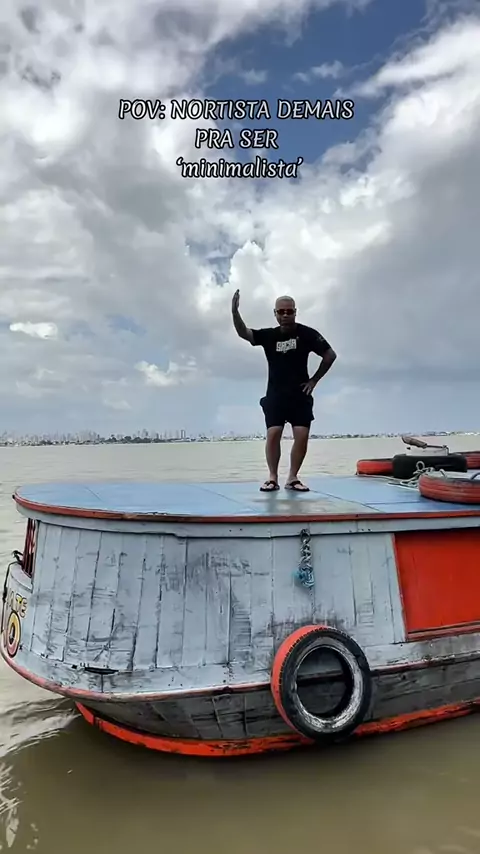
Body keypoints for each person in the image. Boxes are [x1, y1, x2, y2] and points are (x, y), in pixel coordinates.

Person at [231, 290, 336, 492]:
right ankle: (272, 477)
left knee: (302, 435)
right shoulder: (269, 335)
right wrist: (235, 313)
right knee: (274, 433)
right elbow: (244, 333)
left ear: (295, 312)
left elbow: (330, 355)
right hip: (275, 395)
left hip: (300, 394)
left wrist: (314, 380)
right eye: (281, 311)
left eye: (289, 311)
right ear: (275, 313)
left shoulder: (307, 334)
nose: (285, 315)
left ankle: (293, 478)